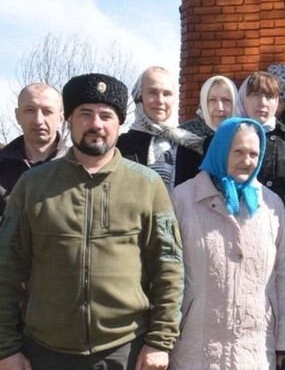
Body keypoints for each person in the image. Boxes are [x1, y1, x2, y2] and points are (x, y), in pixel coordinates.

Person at [0, 73, 183, 369]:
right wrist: (6, 347)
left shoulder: (147, 185)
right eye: (85, 114)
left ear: (119, 123)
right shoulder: (32, 185)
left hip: (124, 351)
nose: (96, 124)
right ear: (68, 120)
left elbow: (169, 267)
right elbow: (6, 267)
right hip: (46, 352)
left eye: (106, 116)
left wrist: (159, 341)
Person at [169, 117, 285, 369]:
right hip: (195, 349)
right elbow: (167, 275)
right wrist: (161, 340)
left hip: (254, 350)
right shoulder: (182, 199)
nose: (247, 160)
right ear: (220, 150)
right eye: (238, 151)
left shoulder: (270, 204)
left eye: (254, 153)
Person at [236, 71, 285, 220]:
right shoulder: (229, 139)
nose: (262, 103)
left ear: (277, 101)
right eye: (255, 94)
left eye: (269, 96)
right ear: (243, 98)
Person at [117, 66, 204, 190]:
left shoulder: (191, 146)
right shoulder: (119, 147)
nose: (160, 100)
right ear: (139, 96)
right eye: (152, 92)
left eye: (167, 94)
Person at [0, 83, 67, 215]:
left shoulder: (79, 167)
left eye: (47, 111)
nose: (38, 120)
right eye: (30, 110)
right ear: (18, 116)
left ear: (61, 118)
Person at [179, 75, 239, 139]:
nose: (220, 108)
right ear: (203, 103)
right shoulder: (184, 134)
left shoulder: (244, 133)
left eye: (226, 100)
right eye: (212, 100)